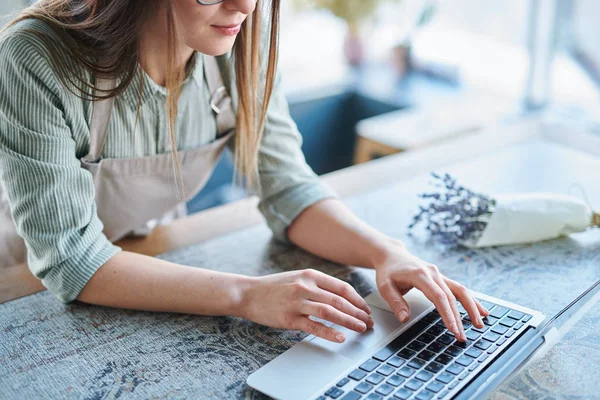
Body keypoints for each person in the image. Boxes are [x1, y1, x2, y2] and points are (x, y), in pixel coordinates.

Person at [0, 0, 488, 344]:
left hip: (142, 248)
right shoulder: (36, 56)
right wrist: (246, 294)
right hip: (21, 270)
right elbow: (71, 261)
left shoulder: (235, 44)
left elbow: (288, 189)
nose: (245, 7)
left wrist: (385, 253)